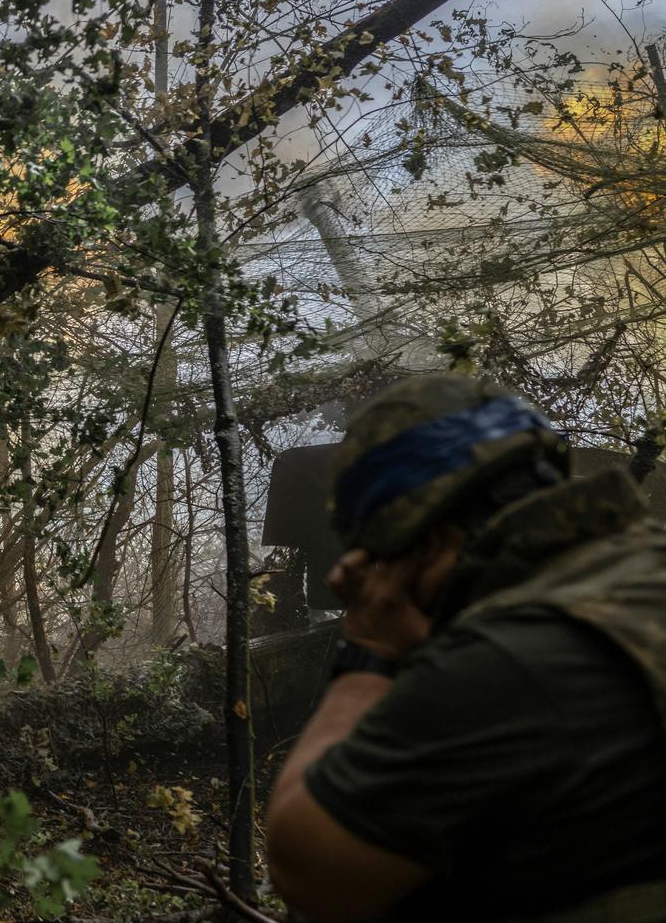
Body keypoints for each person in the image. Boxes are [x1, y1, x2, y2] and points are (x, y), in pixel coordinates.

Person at [265, 374, 666, 922]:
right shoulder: (634, 579)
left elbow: (309, 871)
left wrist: (371, 649)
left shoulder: (508, 661)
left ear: (422, 542)